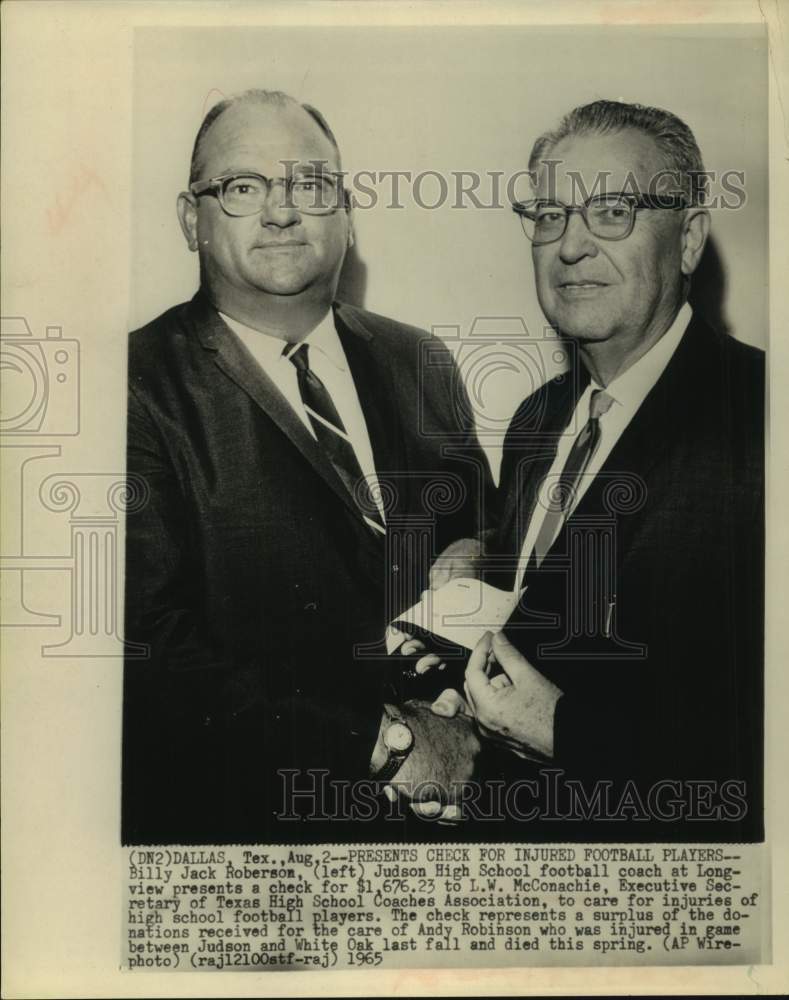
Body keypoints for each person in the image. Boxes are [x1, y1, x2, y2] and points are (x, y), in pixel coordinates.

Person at [122, 89, 490, 845]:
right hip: (248, 839)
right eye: (242, 187)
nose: (281, 212)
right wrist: (384, 746)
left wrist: (479, 553)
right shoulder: (130, 385)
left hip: (460, 824)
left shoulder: (418, 357)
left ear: (347, 214)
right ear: (191, 218)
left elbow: (485, 524)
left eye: (309, 184)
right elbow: (148, 649)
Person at [423, 100, 764, 840]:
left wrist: (565, 732)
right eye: (548, 214)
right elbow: (552, 607)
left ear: (688, 239)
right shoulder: (534, 423)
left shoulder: (762, 418)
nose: (570, 245)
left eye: (610, 210)